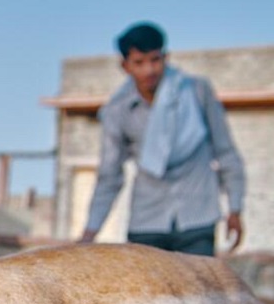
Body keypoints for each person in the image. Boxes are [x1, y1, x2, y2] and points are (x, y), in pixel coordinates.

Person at [80, 22, 245, 255]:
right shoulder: (117, 111)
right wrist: (90, 232)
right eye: (139, 62)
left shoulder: (197, 92)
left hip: (197, 218)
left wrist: (235, 209)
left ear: (165, 57)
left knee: (197, 280)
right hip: (147, 222)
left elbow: (226, 152)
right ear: (125, 66)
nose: (149, 70)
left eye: (155, 60)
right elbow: (110, 175)